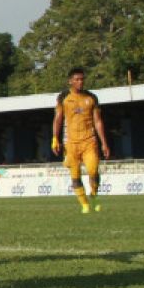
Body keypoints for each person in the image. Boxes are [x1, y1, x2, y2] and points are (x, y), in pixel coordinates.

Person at [52, 67, 111, 214]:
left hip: (89, 141)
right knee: (75, 174)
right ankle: (84, 205)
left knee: (92, 169)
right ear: (70, 81)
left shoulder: (91, 98)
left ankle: (94, 194)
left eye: (82, 79)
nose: (80, 82)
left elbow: (98, 121)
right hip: (70, 143)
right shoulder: (63, 97)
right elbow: (58, 119)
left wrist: (104, 142)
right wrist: (55, 138)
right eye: (77, 79)